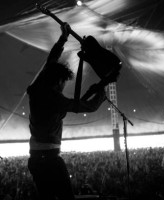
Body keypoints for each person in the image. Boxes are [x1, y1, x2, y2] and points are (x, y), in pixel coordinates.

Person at [27, 23, 106, 200]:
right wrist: (102, 92)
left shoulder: (38, 88)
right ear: (57, 81)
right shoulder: (55, 98)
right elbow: (88, 107)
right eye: (63, 82)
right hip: (50, 160)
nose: (63, 86)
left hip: (35, 159)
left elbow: (51, 62)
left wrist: (63, 38)